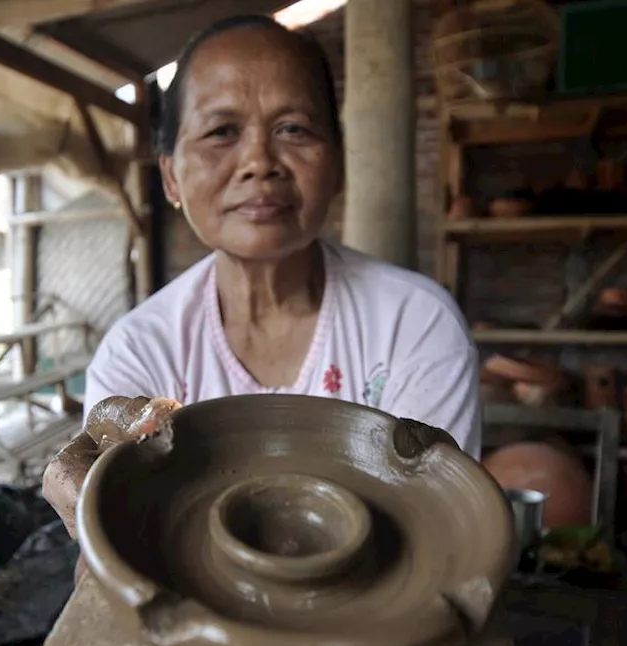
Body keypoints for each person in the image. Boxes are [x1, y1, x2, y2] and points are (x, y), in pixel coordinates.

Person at [43, 15, 481, 539]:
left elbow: (436, 540)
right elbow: (120, 556)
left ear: (338, 163)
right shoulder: (138, 353)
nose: (258, 161)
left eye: (293, 128)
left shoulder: (415, 325)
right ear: (171, 176)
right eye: (221, 131)